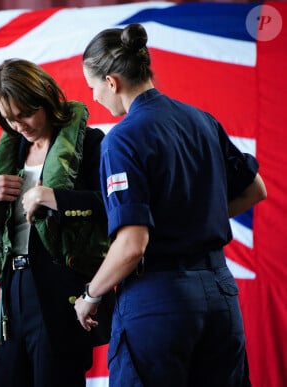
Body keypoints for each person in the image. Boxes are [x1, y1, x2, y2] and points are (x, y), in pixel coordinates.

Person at [74, 23, 267, 386]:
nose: (94, 97)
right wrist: (195, 218)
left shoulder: (122, 141)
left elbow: (132, 246)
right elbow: (255, 189)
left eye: (93, 88)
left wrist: (89, 294)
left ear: (111, 82)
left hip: (159, 301)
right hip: (221, 295)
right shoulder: (201, 120)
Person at [0, 58, 114, 387]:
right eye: (9, 119)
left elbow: (111, 207)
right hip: (12, 293)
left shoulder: (90, 144)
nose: (19, 125)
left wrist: (55, 198)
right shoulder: (10, 154)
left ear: (46, 97)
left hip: (62, 292)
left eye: (25, 113)